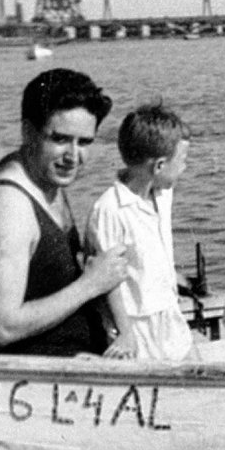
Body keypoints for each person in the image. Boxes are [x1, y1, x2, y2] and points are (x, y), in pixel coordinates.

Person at [0, 69, 128, 356]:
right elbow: (3, 327)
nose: (73, 157)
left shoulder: (45, 178)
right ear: (27, 132)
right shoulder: (8, 208)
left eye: (84, 142)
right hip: (33, 385)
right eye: (60, 139)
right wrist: (91, 285)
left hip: (79, 367)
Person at [85, 103, 195, 361]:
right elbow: (109, 278)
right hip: (136, 324)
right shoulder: (111, 209)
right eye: (182, 161)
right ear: (158, 166)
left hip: (168, 313)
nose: (185, 167)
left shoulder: (161, 193)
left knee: (199, 381)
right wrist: (124, 333)